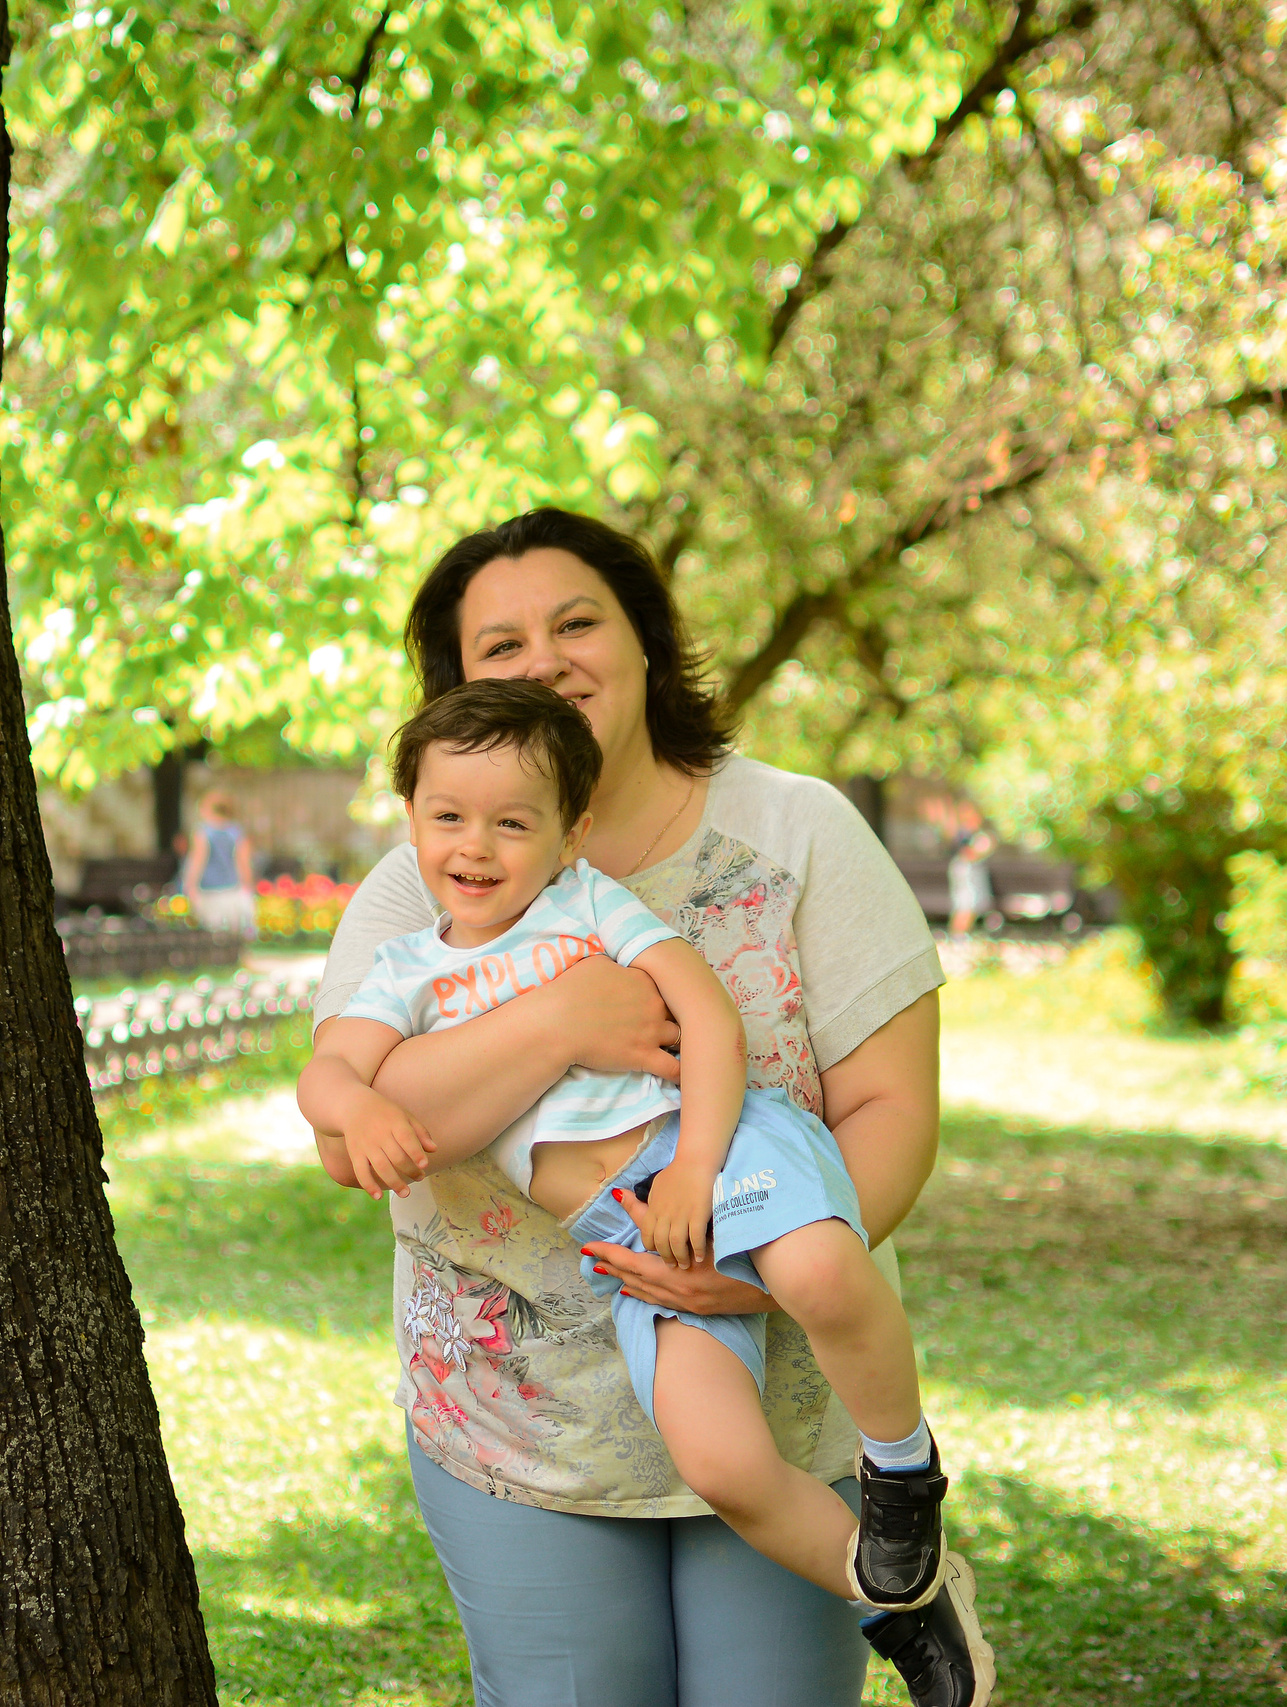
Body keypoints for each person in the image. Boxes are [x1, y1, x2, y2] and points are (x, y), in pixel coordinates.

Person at [308, 507, 990, 1706]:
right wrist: (560, 1024)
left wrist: (761, 1267)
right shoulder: (423, 881)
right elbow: (370, 1108)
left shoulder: (795, 831)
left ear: (643, 643)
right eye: (499, 646)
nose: (547, 660)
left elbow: (887, 1104)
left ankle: (908, 1574)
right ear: (455, 694)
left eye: (577, 623)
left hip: (771, 1373)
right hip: (521, 1419)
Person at [180, 789, 258, 940]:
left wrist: (189, 885)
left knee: (214, 934)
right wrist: (248, 886)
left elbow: (197, 861)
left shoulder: (203, 832)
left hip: (210, 891)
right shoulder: (236, 832)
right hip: (232, 889)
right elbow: (243, 862)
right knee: (233, 933)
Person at [945, 804, 995, 941]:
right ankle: (957, 935)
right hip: (966, 870)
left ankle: (962, 934)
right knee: (966, 903)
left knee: (971, 903)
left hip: (970, 870)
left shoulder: (972, 833)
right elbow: (967, 853)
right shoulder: (965, 834)